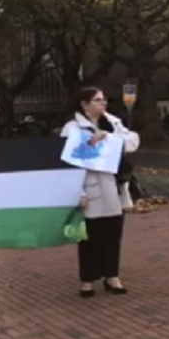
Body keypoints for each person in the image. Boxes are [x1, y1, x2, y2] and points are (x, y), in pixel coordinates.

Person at [61, 87, 140, 298]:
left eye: (104, 99)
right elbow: (67, 163)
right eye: (97, 100)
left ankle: (112, 276)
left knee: (112, 234)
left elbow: (133, 141)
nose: (103, 103)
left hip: (114, 187)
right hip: (89, 187)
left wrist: (110, 138)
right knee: (89, 237)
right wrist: (77, 192)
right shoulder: (72, 128)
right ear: (84, 104)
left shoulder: (112, 122)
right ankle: (87, 279)